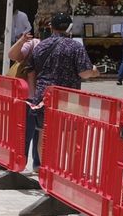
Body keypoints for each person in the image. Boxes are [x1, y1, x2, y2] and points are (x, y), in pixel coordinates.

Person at [22, 11, 97, 170]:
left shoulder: (41, 45)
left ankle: (46, 169)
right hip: (69, 97)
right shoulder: (75, 47)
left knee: (44, 133)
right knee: (70, 135)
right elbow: (84, 73)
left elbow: (31, 71)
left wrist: (35, 93)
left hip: (44, 96)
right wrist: (95, 71)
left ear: (51, 27)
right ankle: (69, 170)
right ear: (69, 27)